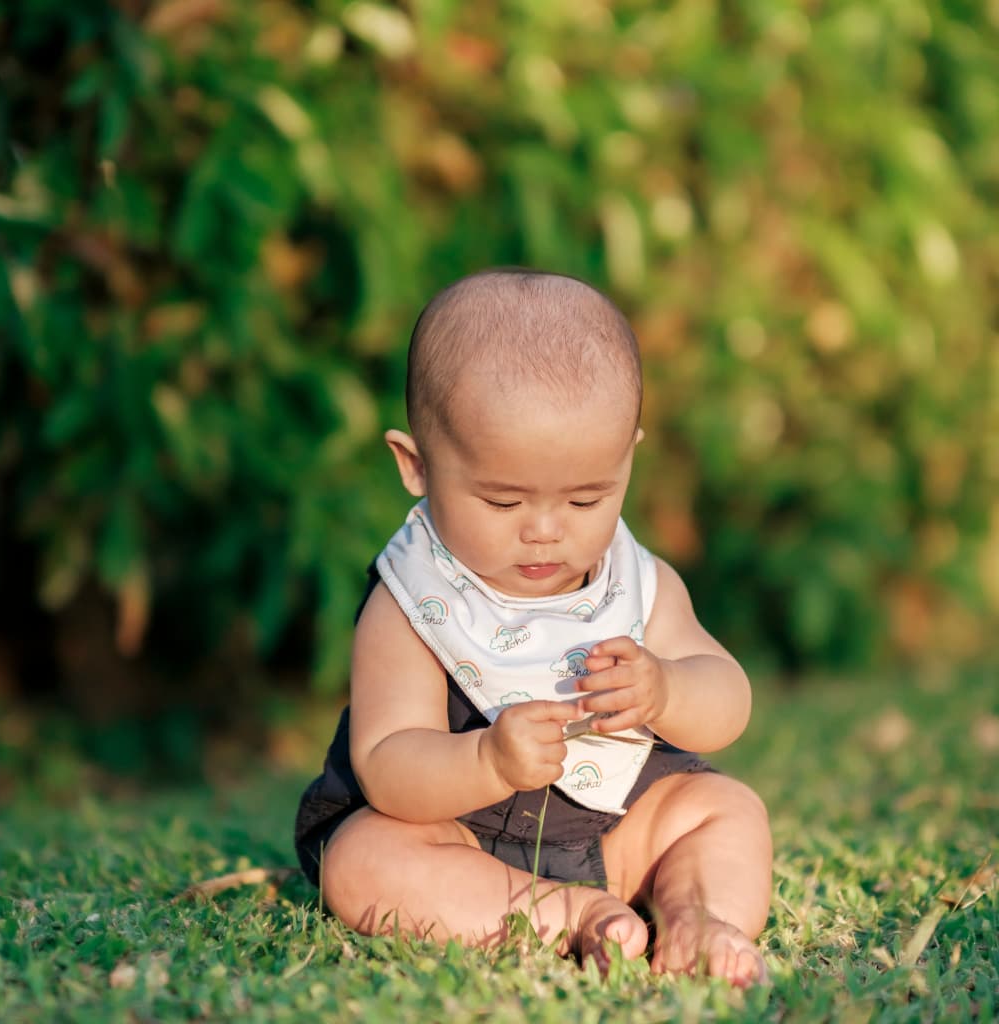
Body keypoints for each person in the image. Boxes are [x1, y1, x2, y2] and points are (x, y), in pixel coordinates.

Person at [294, 269, 772, 986]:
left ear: (627, 459)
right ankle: (564, 917)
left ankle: (696, 917)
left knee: (724, 809)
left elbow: (727, 699)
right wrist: (486, 762)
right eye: (502, 501)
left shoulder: (637, 585)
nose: (545, 533)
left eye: (586, 499)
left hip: (620, 834)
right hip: (463, 845)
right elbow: (388, 764)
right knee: (360, 859)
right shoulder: (410, 604)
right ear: (416, 466)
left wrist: (667, 689)